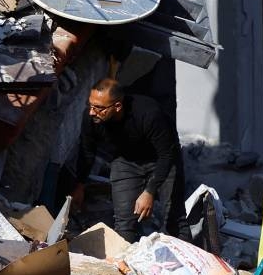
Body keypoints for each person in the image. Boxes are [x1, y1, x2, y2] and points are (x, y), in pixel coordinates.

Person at [72, 79, 190, 243]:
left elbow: (167, 154)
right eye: (90, 105)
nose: (92, 112)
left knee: (174, 219)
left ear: (117, 106)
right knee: (124, 223)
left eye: (99, 108)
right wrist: (80, 185)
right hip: (125, 160)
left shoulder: (148, 113)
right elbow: (87, 151)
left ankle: (186, 263)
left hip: (161, 159)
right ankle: (123, 266)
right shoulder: (91, 118)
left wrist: (149, 191)